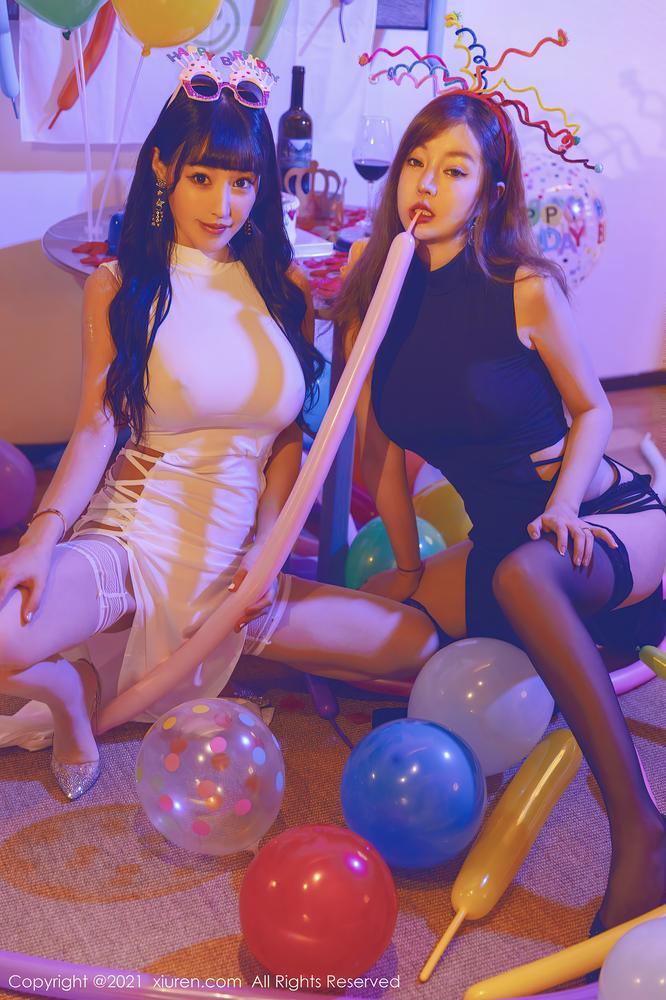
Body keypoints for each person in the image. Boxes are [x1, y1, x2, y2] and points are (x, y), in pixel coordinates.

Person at [0, 52, 439, 800]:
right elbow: (96, 428)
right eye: (202, 177)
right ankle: (71, 699)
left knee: (418, 646)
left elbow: (286, 438)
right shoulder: (119, 286)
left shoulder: (284, 285)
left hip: (241, 567)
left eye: (242, 182)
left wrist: (268, 543)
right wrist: (42, 536)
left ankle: (200, 654)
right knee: (6, 634)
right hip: (133, 544)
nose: (223, 204)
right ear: (164, 169)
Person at [332, 91, 666, 936]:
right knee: (373, 623)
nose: (427, 184)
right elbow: (382, 461)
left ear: (490, 189)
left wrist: (564, 507)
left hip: (605, 522)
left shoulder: (524, 287)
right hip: (502, 548)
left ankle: (642, 831)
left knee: (523, 573)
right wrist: (408, 567)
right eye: (416, 163)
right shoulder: (379, 293)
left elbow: (593, 410)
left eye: (455, 170)